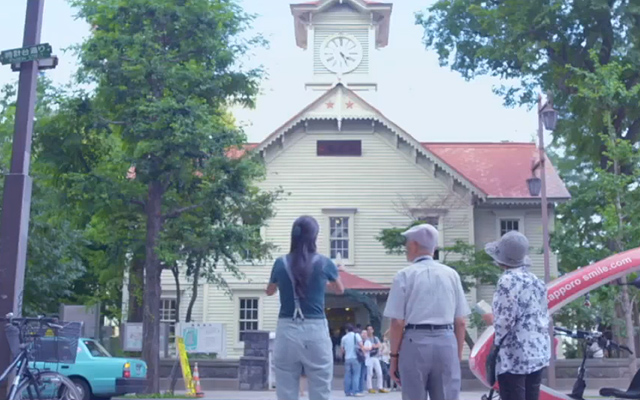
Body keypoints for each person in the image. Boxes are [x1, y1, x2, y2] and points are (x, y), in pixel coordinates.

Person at [384, 224, 470, 400]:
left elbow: (397, 322)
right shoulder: (451, 274)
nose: (406, 247)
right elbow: (460, 321)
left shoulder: (404, 275)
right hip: (446, 340)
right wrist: (457, 355)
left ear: (414, 245)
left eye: (407, 243)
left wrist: (393, 357)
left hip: (415, 341)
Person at [266, 216, 345, 400]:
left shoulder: (280, 263)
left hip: (287, 329)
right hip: (315, 329)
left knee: (286, 388)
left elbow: (269, 291)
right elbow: (340, 289)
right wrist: (323, 284)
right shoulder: (325, 263)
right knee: (320, 386)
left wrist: (278, 285)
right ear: (314, 236)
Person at [482, 231, 550, 400]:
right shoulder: (535, 280)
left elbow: (506, 321)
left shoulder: (507, 280)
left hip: (515, 354)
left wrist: (492, 320)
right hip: (538, 350)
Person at [341, 324, 365, 397]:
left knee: (347, 375)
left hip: (347, 358)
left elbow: (342, 350)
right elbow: (361, 345)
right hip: (355, 358)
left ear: (346, 330)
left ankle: (347, 391)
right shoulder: (356, 335)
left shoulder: (344, 338)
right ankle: (355, 391)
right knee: (356, 375)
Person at [363, 326, 389, 394]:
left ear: (373, 330)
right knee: (370, 373)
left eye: (371, 329)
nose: (369, 331)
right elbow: (365, 347)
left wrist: (373, 346)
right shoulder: (366, 339)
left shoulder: (375, 338)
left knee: (379, 372)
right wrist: (373, 346)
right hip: (369, 357)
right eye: (368, 329)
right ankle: (369, 387)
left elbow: (379, 345)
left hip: (376, 357)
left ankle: (380, 387)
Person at [355, 323, 366, 394]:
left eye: (365, 334)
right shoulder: (358, 339)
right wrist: (365, 351)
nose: (364, 335)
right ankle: (359, 389)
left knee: (363, 374)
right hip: (360, 358)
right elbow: (362, 347)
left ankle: (361, 389)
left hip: (363, 359)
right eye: (363, 333)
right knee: (359, 374)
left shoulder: (366, 340)